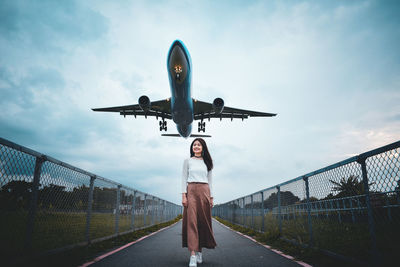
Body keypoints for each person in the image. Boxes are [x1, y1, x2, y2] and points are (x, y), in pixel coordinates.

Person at [182, 138, 217, 267]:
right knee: (191, 222)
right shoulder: (188, 161)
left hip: (204, 191)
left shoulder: (207, 162)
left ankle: (200, 251)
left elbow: (210, 181)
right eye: (194, 145)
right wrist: (183, 195)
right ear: (192, 148)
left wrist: (211, 197)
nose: (196, 146)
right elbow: (183, 178)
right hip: (191, 190)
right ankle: (192, 255)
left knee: (203, 221)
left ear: (203, 148)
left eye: (199, 145)